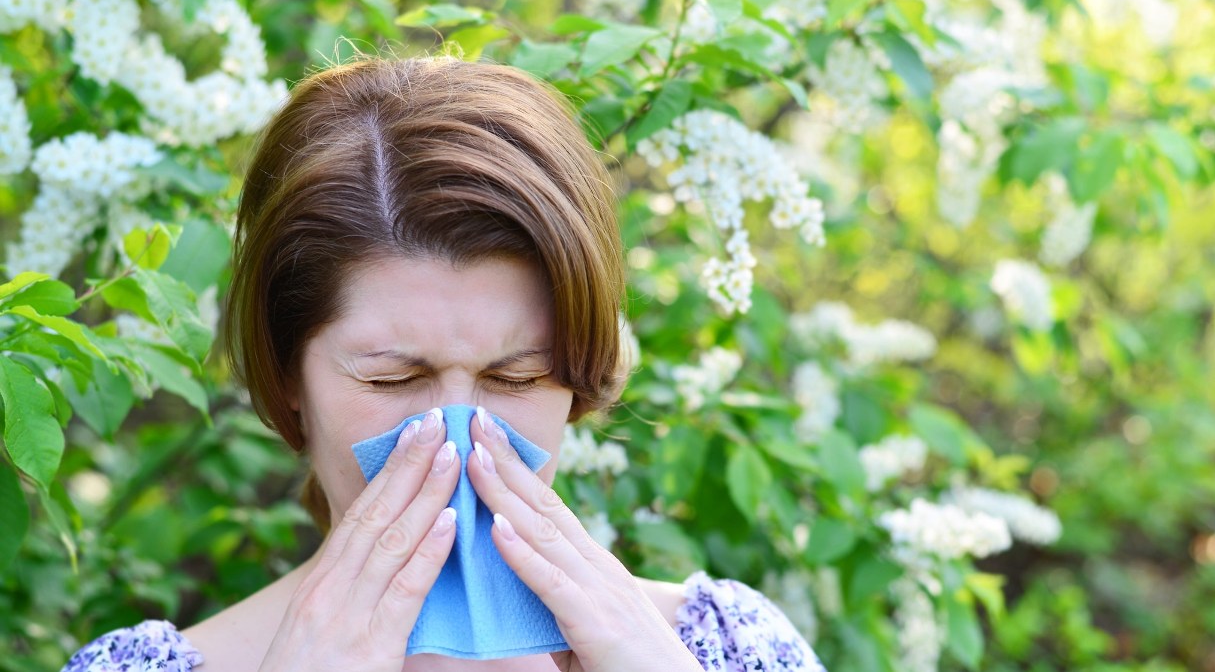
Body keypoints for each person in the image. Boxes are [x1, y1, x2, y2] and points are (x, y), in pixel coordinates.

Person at [62, 56, 827, 672]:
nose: (458, 442)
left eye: (517, 377)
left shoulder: (727, 646)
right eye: (392, 378)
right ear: (289, 375)